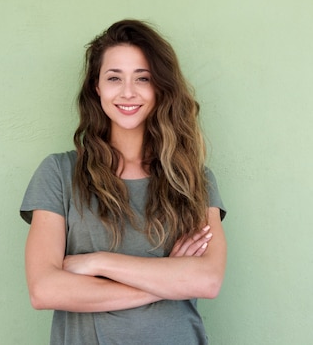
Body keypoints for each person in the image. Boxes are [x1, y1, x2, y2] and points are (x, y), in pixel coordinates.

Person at [20, 19, 227, 345]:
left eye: (143, 78)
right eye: (114, 77)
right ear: (96, 87)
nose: (128, 92)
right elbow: (44, 290)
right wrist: (168, 277)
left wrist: (97, 262)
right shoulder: (59, 173)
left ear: (160, 87)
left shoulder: (193, 180)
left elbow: (207, 280)